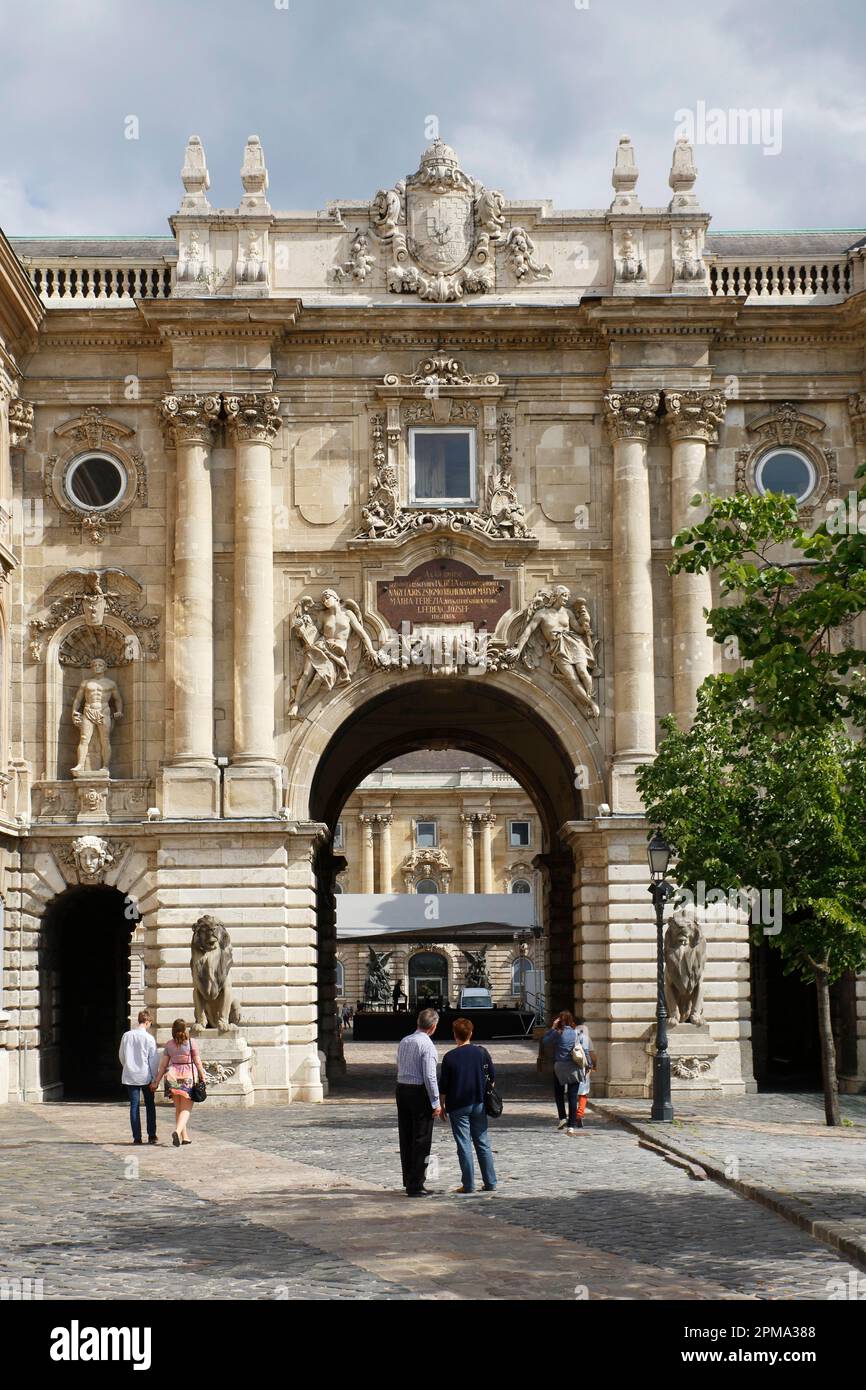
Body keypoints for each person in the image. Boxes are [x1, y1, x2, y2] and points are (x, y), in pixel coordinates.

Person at [439, 1017, 497, 1195]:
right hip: (478, 1102)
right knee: (482, 1142)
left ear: (455, 1035)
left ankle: (469, 1184)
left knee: (464, 1144)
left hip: (457, 1105)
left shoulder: (450, 1057)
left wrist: (441, 1105)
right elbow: (492, 1079)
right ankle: (490, 1181)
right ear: (471, 1033)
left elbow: (444, 1086)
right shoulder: (481, 1052)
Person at [395, 1007, 441, 1197]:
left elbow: (399, 1064)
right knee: (421, 1139)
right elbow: (430, 1076)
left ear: (418, 1023)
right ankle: (416, 1184)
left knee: (406, 1136)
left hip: (402, 1089)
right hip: (418, 1092)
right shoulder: (427, 1045)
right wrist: (436, 1101)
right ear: (433, 1027)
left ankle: (408, 1179)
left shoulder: (405, 1040)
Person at [151, 1018, 205, 1148]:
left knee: (179, 1108)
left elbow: (163, 1065)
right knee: (186, 1109)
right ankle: (177, 1131)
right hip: (187, 1077)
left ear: (173, 1030)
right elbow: (197, 1062)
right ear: (185, 1029)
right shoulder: (191, 1043)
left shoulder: (169, 1044)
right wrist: (203, 1076)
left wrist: (156, 1082)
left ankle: (185, 1137)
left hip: (172, 1076)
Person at [542, 1010, 596, 1134]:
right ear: (571, 1020)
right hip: (574, 1067)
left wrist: (553, 1027)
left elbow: (545, 1041)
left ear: (560, 1020)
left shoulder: (557, 1033)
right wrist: (589, 1064)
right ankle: (571, 1126)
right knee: (572, 1097)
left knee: (559, 1094)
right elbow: (584, 1050)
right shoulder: (576, 1033)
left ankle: (562, 1118)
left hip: (560, 1067)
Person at [119, 1008, 158, 1145]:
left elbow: (121, 1056)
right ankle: (152, 1134)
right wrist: (154, 1078)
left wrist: (127, 1066)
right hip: (145, 1075)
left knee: (134, 1106)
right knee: (150, 1105)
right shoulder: (149, 1038)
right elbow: (153, 1060)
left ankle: (137, 1137)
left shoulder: (127, 1036)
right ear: (147, 1022)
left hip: (130, 1075)